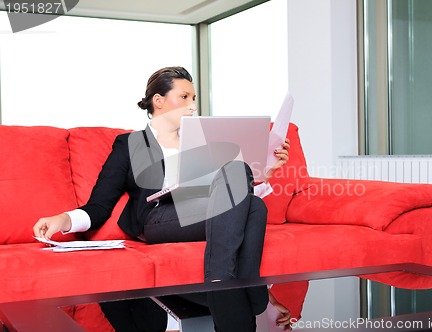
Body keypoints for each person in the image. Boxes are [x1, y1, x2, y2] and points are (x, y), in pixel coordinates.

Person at [33, 66, 292, 331]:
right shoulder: (131, 144)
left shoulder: (201, 142)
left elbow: (234, 198)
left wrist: (267, 174)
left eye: (194, 99)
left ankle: (240, 288)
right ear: (158, 101)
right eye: (184, 97)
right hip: (160, 216)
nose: (192, 106)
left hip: (207, 208)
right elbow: (100, 205)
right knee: (252, 202)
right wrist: (64, 219)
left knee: (252, 196)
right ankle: (224, 284)